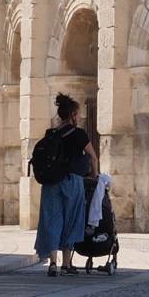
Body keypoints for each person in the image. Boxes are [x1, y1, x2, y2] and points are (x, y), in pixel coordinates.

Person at [34, 93, 98, 277]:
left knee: (52, 220)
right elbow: (93, 157)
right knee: (72, 219)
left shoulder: (51, 134)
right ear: (73, 114)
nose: (79, 118)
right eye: (78, 115)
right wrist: (95, 176)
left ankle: (52, 262)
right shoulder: (78, 134)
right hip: (72, 181)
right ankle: (67, 263)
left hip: (51, 182)